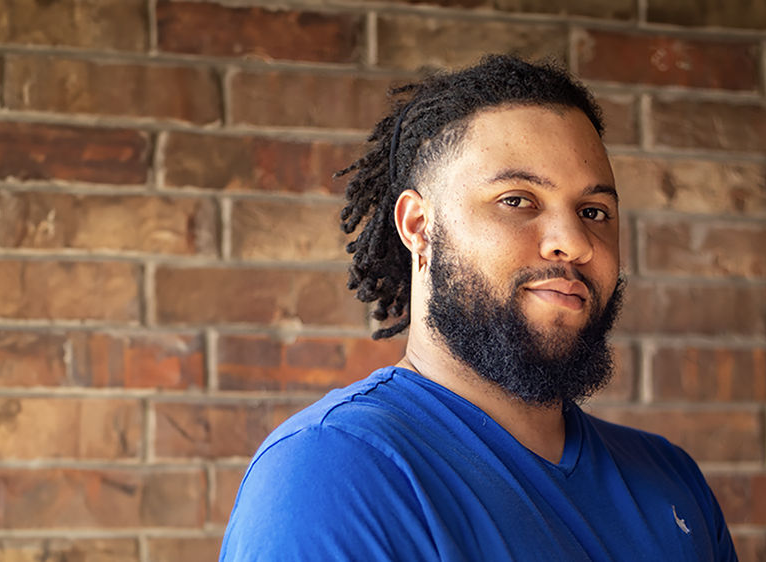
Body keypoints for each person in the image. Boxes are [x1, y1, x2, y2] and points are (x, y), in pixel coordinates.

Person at [220, 55, 738, 561]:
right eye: (517, 200)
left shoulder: (671, 481)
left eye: (594, 211)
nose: (574, 242)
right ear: (419, 226)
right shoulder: (334, 470)